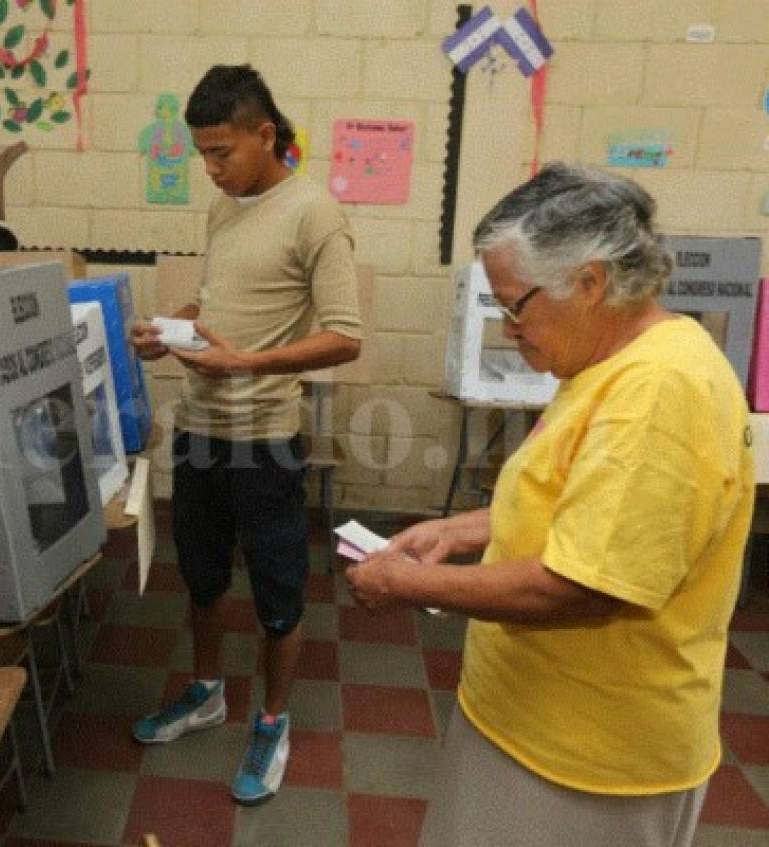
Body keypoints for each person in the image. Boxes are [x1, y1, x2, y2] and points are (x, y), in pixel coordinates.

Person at [346, 163, 754, 846]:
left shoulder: (657, 392)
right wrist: (461, 528)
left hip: (590, 758)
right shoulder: (607, 362)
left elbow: (584, 584)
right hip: (536, 720)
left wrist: (406, 582)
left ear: (590, 283)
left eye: (515, 305)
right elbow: (582, 503)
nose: (509, 329)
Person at [129, 64, 362, 805]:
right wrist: (178, 328)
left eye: (222, 152)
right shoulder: (222, 209)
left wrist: (249, 363)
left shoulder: (314, 211)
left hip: (265, 436)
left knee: (277, 592)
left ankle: (272, 716)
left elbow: (345, 337)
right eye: (201, 153)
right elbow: (223, 297)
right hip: (199, 430)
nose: (211, 168)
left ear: (266, 135)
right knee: (199, 576)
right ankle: (205, 692)